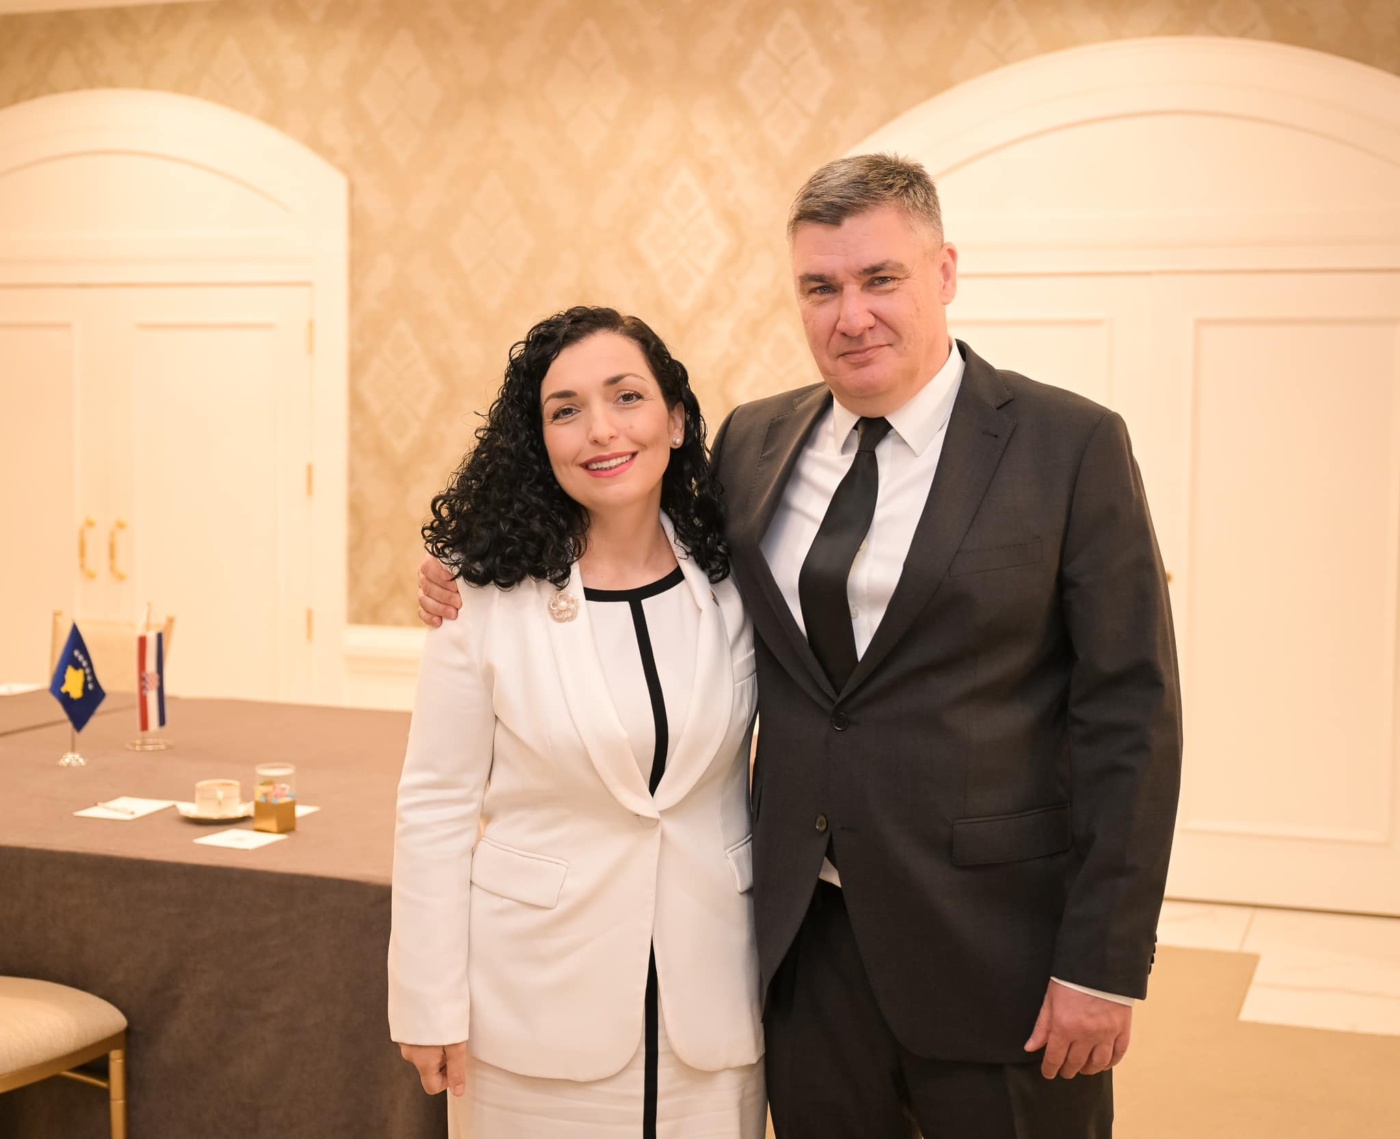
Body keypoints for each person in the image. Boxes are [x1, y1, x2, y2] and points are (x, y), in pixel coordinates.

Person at [421, 155, 1182, 1138]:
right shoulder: (755, 441)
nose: (850, 315)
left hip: (997, 952)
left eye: (880, 279)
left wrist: (1102, 963)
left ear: (944, 271)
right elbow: (622, 512)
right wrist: (462, 556)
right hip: (800, 951)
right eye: (820, 288)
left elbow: (1130, 719)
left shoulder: (1068, 445)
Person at [391, 305, 765, 1139]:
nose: (600, 430)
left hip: (713, 1005)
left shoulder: (737, 579)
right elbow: (436, 804)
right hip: (531, 1008)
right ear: (540, 440)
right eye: (565, 410)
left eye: (627, 396)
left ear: (675, 419)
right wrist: (426, 1001)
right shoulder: (481, 594)